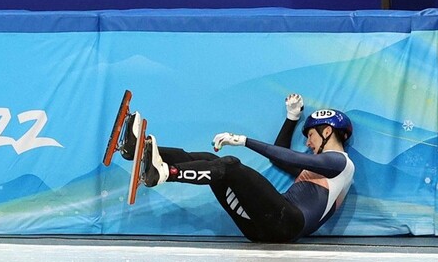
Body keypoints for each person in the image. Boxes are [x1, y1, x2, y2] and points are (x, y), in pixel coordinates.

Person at [121, 94, 355, 242]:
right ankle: (140, 151)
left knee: (230, 166)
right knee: (210, 162)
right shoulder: (323, 173)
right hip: (261, 228)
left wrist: (243, 140)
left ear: (327, 132)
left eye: (311, 135)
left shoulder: (341, 163)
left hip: (287, 224)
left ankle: (164, 173)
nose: (307, 143)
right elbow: (281, 158)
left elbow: (292, 157)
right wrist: (292, 118)